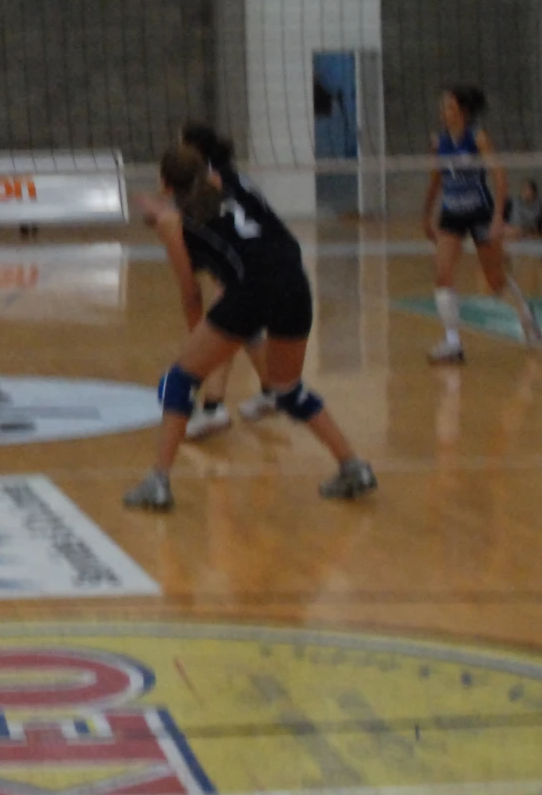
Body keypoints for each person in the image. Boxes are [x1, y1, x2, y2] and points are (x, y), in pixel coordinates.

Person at [124, 143, 376, 512]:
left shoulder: (171, 221)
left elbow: (191, 294)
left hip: (252, 289)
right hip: (294, 282)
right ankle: (353, 466)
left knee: (180, 379)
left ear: (164, 183)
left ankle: (158, 483)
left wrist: (199, 343)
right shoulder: (232, 184)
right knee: (286, 388)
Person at [174, 122, 279, 440]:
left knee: (225, 328)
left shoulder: (208, 185)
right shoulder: (225, 176)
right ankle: (272, 390)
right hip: (265, 258)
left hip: (254, 263)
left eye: (179, 144)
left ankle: (213, 409)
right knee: (242, 329)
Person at [424, 85, 542, 362]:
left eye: (450, 107)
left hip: (480, 212)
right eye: (443, 106)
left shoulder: (477, 137)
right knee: (442, 274)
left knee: (494, 280)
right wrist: (425, 214)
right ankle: (453, 344)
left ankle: (525, 312)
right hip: (451, 213)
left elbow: (500, 176)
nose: (444, 111)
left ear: (463, 112)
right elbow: (435, 180)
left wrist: (499, 217)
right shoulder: (438, 143)